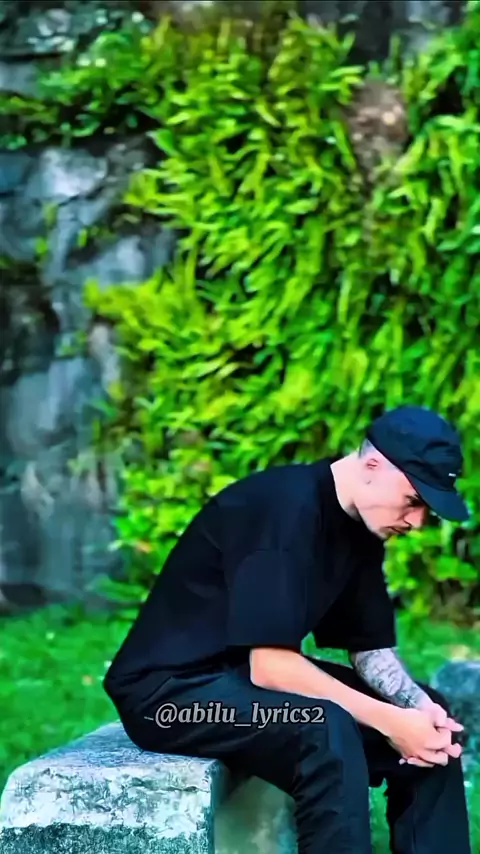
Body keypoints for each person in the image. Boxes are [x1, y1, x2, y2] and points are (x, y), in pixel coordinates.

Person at [103, 404, 472, 854]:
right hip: (167, 697)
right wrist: (392, 721)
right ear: (373, 466)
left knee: (433, 725)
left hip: (237, 679)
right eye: (413, 501)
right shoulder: (284, 510)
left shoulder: (361, 528)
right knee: (323, 728)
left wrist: (417, 709)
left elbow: (369, 650)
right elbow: (272, 668)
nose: (416, 522)